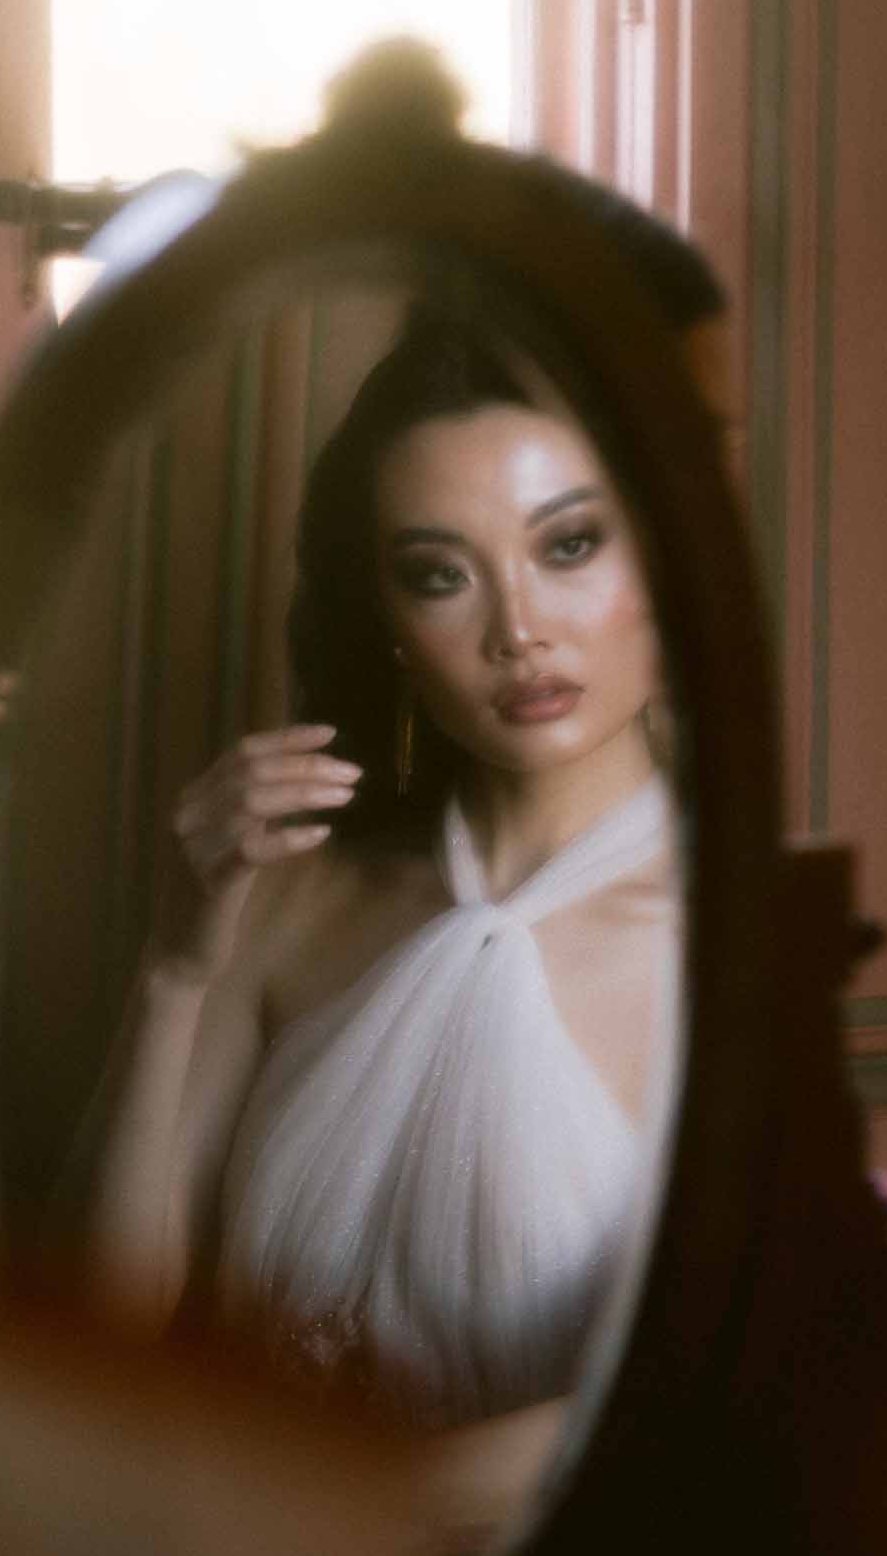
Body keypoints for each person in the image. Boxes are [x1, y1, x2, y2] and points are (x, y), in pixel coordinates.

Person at [65, 237, 722, 1428]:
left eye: (568, 545)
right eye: (440, 574)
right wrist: (173, 963)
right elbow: (98, 1319)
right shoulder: (296, 886)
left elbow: (707, 1406)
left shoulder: (726, 944)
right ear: (384, 619)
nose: (519, 631)